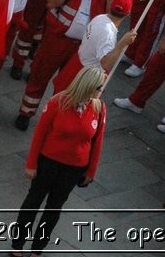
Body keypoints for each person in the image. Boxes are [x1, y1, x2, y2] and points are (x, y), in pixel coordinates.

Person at [14, 0, 117, 129]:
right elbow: (51, 2)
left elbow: (114, 15)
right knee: (39, 75)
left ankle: (54, 119)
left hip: (83, 48)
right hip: (57, 38)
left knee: (68, 86)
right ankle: (26, 112)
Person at [11, 67, 107, 256]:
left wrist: (90, 171)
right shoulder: (58, 102)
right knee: (33, 202)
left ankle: (37, 248)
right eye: (98, 87)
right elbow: (39, 134)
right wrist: (31, 164)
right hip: (48, 162)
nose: (100, 91)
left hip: (74, 169)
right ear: (87, 85)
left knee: (54, 208)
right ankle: (17, 244)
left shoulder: (99, 108)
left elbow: (97, 142)